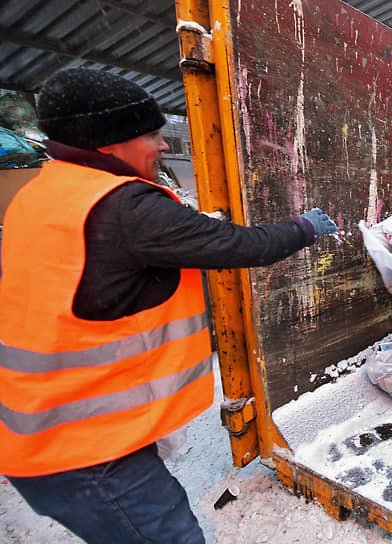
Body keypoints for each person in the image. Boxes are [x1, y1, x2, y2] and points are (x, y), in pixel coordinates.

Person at [0, 68, 338, 543]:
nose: (162, 146)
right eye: (152, 135)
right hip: (87, 448)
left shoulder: (44, 194)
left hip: (46, 429)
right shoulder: (126, 207)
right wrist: (307, 226)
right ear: (108, 145)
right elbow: (240, 247)